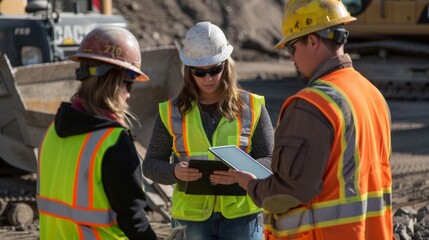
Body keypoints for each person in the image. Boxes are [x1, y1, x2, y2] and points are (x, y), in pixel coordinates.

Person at [230, 0, 393, 239]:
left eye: (292, 48)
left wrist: (252, 186)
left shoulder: (311, 105)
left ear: (313, 40)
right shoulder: (372, 94)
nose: (291, 58)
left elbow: (290, 192)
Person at [143, 21, 274, 240]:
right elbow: (150, 165)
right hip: (191, 220)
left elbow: (270, 160)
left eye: (215, 70)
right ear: (188, 71)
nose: (208, 78)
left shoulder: (253, 107)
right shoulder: (171, 112)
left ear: (226, 64)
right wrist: (174, 173)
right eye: (199, 72)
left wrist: (240, 177)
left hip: (242, 217)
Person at [37, 26, 157, 239]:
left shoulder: (52, 132)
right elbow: (133, 218)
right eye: (128, 85)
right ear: (112, 83)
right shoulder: (113, 142)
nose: (128, 95)